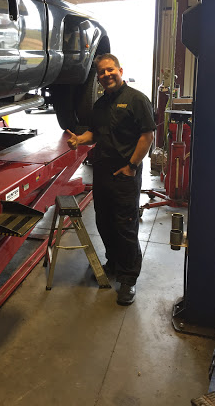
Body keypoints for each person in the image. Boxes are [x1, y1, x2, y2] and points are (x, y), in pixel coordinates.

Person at [67, 53, 155, 305]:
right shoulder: (100, 105)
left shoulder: (137, 100)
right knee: (104, 222)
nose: (106, 76)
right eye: (101, 73)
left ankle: (128, 279)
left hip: (125, 173)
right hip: (102, 172)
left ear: (119, 70)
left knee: (125, 225)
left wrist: (131, 166)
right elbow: (94, 133)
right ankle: (114, 263)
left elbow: (146, 136)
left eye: (109, 70)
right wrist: (79, 139)